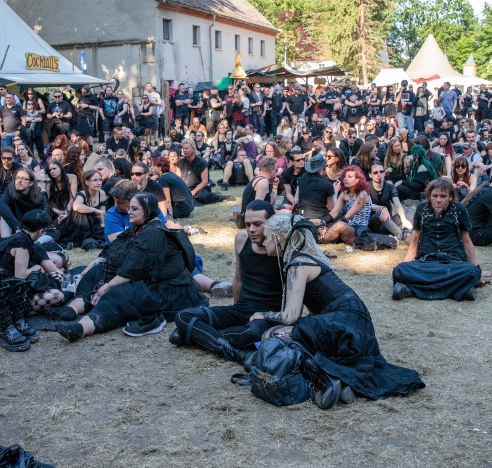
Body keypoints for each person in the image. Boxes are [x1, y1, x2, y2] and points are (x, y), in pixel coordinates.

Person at [251, 214, 425, 405]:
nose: (263, 242)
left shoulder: (298, 263)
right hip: (355, 321)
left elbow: (290, 317)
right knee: (298, 335)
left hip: (343, 321)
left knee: (273, 335)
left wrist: (261, 315)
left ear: (277, 238)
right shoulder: (303, 259)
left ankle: (325, 378)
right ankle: (340, 379)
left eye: (267, 237)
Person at [55, 193, 208, 341]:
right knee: (96, 273)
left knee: (118, 294)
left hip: (165, 288)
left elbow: (134, 268)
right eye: (130, 208)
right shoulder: (138, 227)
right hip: (144, 279)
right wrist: (92, 265)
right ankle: (72, 309)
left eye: (134, 209)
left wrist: (107, 285)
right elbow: (112, 248)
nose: (130, 212)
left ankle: (81, 328)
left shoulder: (153, 231)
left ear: (148, 210)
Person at [171, 200, 284, 360]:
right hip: (241, 309)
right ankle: (230, 349)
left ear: (272, 223)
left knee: (251, 332)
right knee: (183, 316)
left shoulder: (283, 247)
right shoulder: (242, 239)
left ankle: (195, 336)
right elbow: (238, 279)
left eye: (258, 224)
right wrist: (236, 310)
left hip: (267, 315)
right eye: (247, 224)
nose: (251, 229)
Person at [392, 178, 484, 301]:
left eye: (443, 196)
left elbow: (466, 239)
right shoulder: (421, 209)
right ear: (429, 196)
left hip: (452, 263)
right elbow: (416, 239)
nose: (438, 200)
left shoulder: (460, 210)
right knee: (399, 270)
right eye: (435, 196)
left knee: (472, 271)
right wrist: (404, 263)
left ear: (450, 197)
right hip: (425, 262)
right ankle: (459, 289)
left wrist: (476, 267)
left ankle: (410, 290)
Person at [294, 154, 354, 244]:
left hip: (301, 221)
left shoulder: (302, 178)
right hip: (319, 224)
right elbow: (333, 209)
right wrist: (335, 191)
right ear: (323, 167)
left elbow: (295, 201)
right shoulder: (326, 185)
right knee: (346, 226)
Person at [58, 169, 107, 249]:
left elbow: (102, 213)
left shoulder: (102, 193)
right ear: (87, 182)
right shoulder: (82, 194)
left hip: (94, 223)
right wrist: (95, 210)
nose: (98, 183)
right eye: (95, 180)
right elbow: (76, 206)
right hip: (80, 225)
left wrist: (102, 224)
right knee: (80, 212)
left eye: (100, 180)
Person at [0, 167, 46, 238]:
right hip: (14, 224)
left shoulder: (38, 196)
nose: (19, 181)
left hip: (30, 227)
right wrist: (17, 226)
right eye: (17, 178)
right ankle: (6, 241)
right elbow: (0, 205)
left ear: (31, 183)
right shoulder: (10, 190)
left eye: (23, 179)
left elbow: (40, 217)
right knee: (3, 214)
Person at [368, 161, 412, 240]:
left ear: (385, 173)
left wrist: (403, 219)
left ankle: (407, 233)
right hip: (372, 224)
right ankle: (401, 236)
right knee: (379, 213)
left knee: (409, 210)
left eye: (381, 172)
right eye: (375, 172)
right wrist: (382, 208)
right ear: (370, 175)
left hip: (388, 224)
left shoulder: (390, 187)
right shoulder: (366, 186)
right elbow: (368, 205)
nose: (379, 174)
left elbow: (398, 205)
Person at [239, 156, 279, 223]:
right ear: (271, 170)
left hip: (250, 217)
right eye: (276, 170)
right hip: (253, 219)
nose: (276, 173)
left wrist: (275, 187)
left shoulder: (258, 179)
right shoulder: (263, 182)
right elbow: (258, 207)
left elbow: (270, 204)